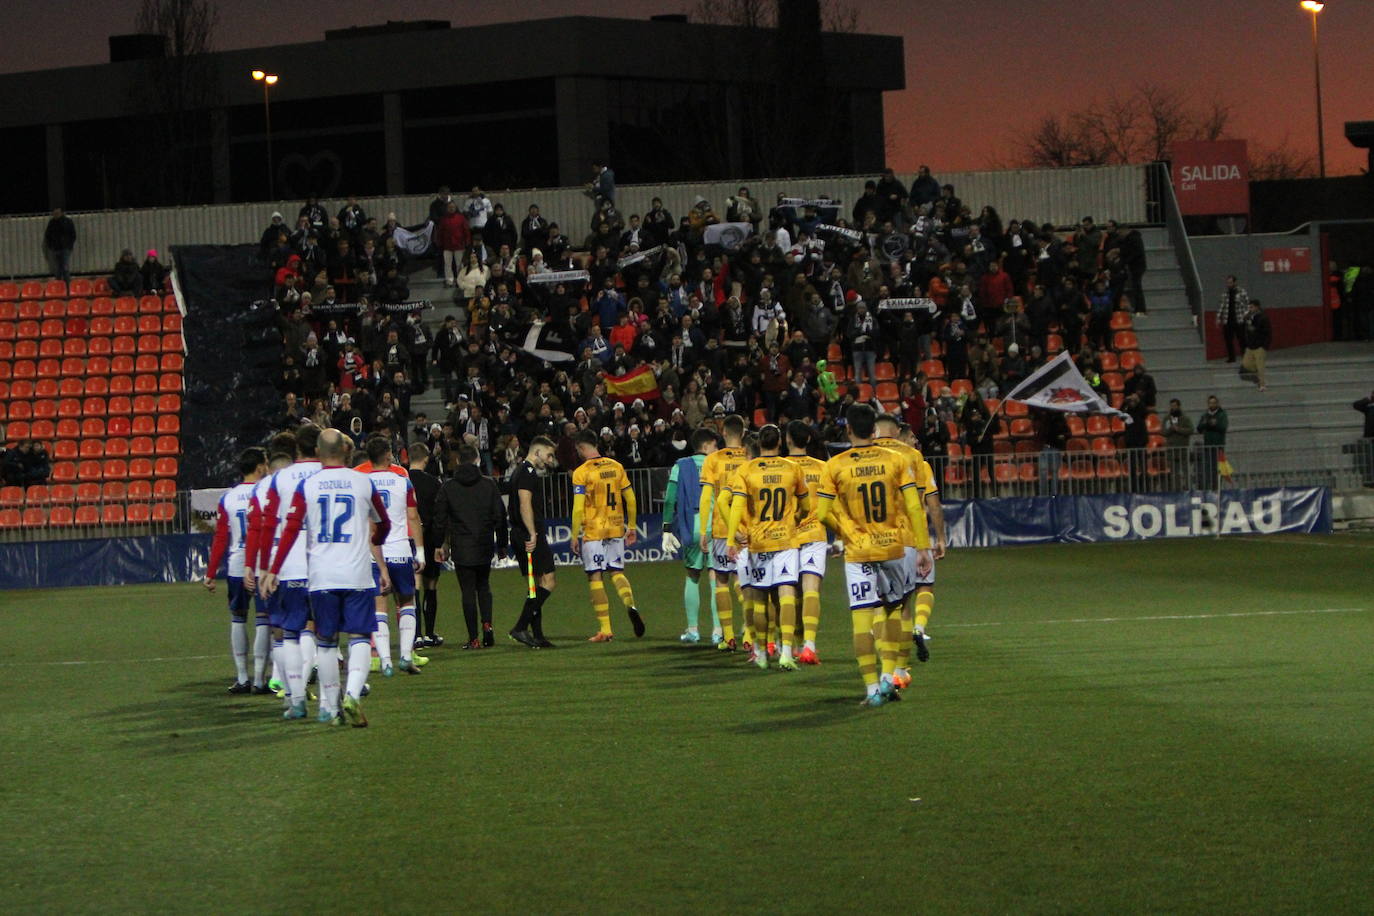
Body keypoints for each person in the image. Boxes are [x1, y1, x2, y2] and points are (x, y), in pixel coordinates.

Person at [264, 428, 391, 728]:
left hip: (321, 576)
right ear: (346, 452)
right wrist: (377, 535)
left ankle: (329, 709)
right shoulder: (362, 482)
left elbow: (291, 529)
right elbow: (383, 522)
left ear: (318, 453)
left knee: (326, 641)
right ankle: (352, 693)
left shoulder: (307, 485)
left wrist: (274, 568)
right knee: (359, 636)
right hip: (357, 573)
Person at [816, 403, 932, 706]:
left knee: (862, 619)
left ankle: (870, 688)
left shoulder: (835, 465)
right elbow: (915, 506)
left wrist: (846, 533)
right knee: (894, 609)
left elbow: (822, 512)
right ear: (874, 430)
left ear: (850, 430)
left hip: (858, 551)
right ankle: (889, 675)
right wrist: (922, 547)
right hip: (893, 545)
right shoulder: (896, 461)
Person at [725, 424, 809, 670]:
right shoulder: (793, 468)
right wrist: (795, 519)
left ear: (759, 443)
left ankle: (761, 653)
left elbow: (736, 506)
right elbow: (805, 504)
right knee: (786, 597)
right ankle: (785, 652)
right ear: (780, 442)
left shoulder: (746, 470)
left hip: (758, 542)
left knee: (759, 601)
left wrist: (732, 539)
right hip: (785, 541)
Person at [254, 426, 324, 717]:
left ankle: (294, 698)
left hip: (291, 565)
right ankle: (331, 702)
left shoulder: (279, 479)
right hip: (328, 566)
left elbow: (268, 525)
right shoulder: (333, 474)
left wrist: (266, 568)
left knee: (288, 632)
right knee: (323, 635)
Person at [872, 412, 937, 686]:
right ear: (897, 431)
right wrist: (931, 541)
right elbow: (922, 501)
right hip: (907, 537)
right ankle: (900, 668)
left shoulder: (862, 455)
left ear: (875, 430)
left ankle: (882, 662)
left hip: (870, 539)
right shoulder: (911, 457)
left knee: (876, 604)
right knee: (903, 604)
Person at [356, 437, 426, 676]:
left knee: (379, 605)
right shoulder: (402, 481)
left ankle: (385, 660)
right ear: (387, 456)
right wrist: (421, 550)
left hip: (373, 553)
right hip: (399, 550)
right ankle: (406, 656)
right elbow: (413, 517)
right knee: (407, 602)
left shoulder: (361, 483)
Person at [202, 447, 270, 694]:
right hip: (264, 565)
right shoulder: (266, 493)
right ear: (259, 467)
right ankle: (261, 680)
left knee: (238, 618)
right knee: (264, 620)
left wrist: (210, 573)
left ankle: (242, 677)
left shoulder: (228, 498)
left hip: (237, 565)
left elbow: (220, 538)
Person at [570, 429, 646, 642]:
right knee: (616, 572)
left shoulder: (581, 472)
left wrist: (574, 535)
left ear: (582, 448)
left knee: (595, 576)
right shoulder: (616, 466)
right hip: (615, 527)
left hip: (594, 530)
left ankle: (606, 629)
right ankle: (630, 605)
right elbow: (630, 499)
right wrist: (631, 526)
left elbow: (577, 509)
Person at [433, 443, 508, 650]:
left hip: (462, 545)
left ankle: (473, 638)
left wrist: (439, 543)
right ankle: (487, 626)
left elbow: (440, 519)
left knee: (467, 591)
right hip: (483, 543)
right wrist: (502, 544)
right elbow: (500, 516)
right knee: (483, 586)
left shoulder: (448, 486)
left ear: (457, 461)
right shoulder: (489, 484)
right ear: (478, 460)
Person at [244, 434, 297, 696]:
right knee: (306, 626)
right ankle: (294, 680)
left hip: (269, 564)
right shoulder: (299, 485)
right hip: (296, 562)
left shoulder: (260, 490)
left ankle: (276, 678)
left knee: (275, 623)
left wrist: (254, 568)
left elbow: (256, 529)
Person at [697, 414, 750, 651]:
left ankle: (728, 636)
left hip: (721, 529)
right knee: (745, 581)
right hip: (749, 529)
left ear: (724, 432)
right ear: (744, 432)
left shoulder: (713, 459)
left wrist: (702, 530)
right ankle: (749, 634)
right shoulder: (751, 458)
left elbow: (707, 496)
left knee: (721, 580)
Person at [662, 427, 719, 644]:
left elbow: (670, 499)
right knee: (717, 579)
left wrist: (667, 528)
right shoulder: (717, 463)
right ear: (706, 446)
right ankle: (717, 631)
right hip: (715, 524)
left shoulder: (681, 465)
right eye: (715, 445)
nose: (717, 448)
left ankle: (693, 630)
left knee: (693, 576)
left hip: (691, 523)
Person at [902, 421, 947, 669]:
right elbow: (933, 503)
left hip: (887, 539)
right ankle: (919, 627)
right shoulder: (921, 464)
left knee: (896, 595)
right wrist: (940, 538)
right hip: (917, 537)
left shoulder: (881, 463)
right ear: (902, 438)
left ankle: (894, 634)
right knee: (925, 585)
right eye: (911, 437)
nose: (915, 441)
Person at [784, 420, 829, 665]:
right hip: (814, 534)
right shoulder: (823, 468)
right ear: (809, 440)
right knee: (811, 588)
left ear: (788, 440)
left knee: (789, 591)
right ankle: (809, 646)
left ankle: (789, 645)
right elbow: (832, 504)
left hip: (786, 536)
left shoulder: (780, 467)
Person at [508, 436, 558, 648]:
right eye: (548, 455)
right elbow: (524, 503)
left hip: (521, 532)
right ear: (537, 452)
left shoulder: (519, 471)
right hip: (528, 532)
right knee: (549, 581)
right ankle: (520, 627)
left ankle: (537, 635)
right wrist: (532, 532)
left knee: (535, 586)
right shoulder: (527, 472)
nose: (549, 460)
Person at [406, 442, 445, 648]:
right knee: (431, 584)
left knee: (414, 585)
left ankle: (416, 634)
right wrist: (440, 542)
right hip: (429, 538)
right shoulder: (434, 483)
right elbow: (440, 516)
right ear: (426, 458)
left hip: (408, 538)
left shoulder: (402, 479)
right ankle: (429, 633)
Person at [1196, 395, 1228, 490]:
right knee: (1209, 469)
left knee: (1218, 469)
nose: (1212, 404)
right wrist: (1207, 423)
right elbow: (1199, 428)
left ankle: (1217, 487)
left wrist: (1213, 424)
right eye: (1210, 403)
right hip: (1208, 447)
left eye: (1214, 402)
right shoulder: (1205, 415)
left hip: (1219, 446)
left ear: (1217, 403)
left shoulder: (1222, 414)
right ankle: (1210, 488)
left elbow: (1223, 427)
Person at [1161, 398, 1194, 489]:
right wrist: (1171, 429)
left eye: (1175, 406)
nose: (1173, 408)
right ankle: (1176, 489)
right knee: (1174, 472)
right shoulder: (1167, 419)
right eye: (1171, 406)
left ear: (1179, 406)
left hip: (1183, 449)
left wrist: (1179, 429)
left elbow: (1191, 430)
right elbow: (1163, 432)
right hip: (1171, 450)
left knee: (1185, 470)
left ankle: (1188, 488)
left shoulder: (1185, 418)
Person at [1241, 298, 1271, 392]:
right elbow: (1247, 330)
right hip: (1250, 345)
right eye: (1249, 307)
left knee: (1260, 365)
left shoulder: (1263, 318)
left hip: (1260, 346)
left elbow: (1264, 331)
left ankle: (1262, 384)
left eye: (1251, 307)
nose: (1250, 309)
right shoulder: (1249, 317)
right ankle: (1258, 376)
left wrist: (1264, 345)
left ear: (1257, 307)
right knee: (1246, 364)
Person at [1217, 276, 1249, 363]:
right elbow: (1221, 307)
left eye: (1230, 282)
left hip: (1239, 320)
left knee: (1242, 340)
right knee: (1228, 340)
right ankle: (1231, 358)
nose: (1228, 284)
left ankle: (1245, 357)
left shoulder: (1242, 292)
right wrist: (1218, 318)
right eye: (1227, 282)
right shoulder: (1225, 294)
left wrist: (1245, 315)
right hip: (1227, 320)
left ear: (1235, 282)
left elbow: (1247, 305)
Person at [43, 208, 76, 283]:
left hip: (65, 248)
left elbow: (73, 234)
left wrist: (69, 245)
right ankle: (59, 285)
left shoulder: (67, 221)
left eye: (57, 213)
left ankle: (66, 285)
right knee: (58, 268)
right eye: (54, 213)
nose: (55, 215)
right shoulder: (52, 222)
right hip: (56, 248)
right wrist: (51, 246)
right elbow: (48, 235)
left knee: (65, 267)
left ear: (61, 213)